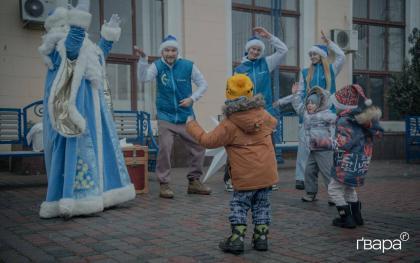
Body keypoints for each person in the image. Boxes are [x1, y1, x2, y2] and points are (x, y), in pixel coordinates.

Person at [38, 1, 135, 218]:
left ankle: (104, 193)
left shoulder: (85, 47)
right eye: (69, 24)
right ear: (61, 26)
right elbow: (73, 44)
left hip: (93, 111)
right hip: (75, 111)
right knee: (79, 151)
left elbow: (99, 55)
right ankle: (78, 198)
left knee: (101, 149)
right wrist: (81, 14)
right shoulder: (58, 46)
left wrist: (108, 35)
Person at [186, 74, 279, 254]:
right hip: (267, 173)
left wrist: (191, 125)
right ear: (251, 92)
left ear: (228, 94)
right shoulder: (264, 115)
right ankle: (261, 238)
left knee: (240, 205)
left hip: (244, 176)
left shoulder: (229, 123)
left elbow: (208, 140)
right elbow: (273, 124)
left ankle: (236, 239)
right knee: (262, 204)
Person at [134, 35, 211, 199]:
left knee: (199, 145)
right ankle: (164, 184)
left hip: (186, 117)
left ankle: (194, 181)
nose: (170, 53)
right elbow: (143, 78)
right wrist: (143, 60)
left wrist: (192, 98)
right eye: (167, 50)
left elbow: (203, 84)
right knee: (165, 147)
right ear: (162, 52)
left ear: (177, 51)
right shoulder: (157, 66)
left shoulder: (188, 66)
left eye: (173, 50)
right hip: (166, 116)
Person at [274, 31, 345, 191]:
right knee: (304, 148)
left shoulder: (332, 70)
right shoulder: (305, 72)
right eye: (310, 54)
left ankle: (332, 186)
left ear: (321, 55)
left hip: (327, 118)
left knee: (327, 152)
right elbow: (298, 93)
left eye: (314, 53)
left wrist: (330, 43)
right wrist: (281, 101)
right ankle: (301, 179)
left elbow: (342, 56)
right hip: (308, 116)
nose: (312, 56)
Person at [222, 27, 287, 191]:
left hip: (265, 112)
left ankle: (269, 179)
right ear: (247, 49)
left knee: (268, 147)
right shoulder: (239, 70)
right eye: (253, 49)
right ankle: (229, 179)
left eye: (258, 49)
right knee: (238, 144)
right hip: (245, 113)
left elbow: (283, 50)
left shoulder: (266, 63)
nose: (256, 52)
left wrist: (269, 37)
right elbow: (234, 92)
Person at [329, 84, 383, 228]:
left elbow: (344, 143)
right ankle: (357, 217)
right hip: (361, 161)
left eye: (335, 105)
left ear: (341, 105)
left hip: (347, 161)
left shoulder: (344, 120)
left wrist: (323, 142)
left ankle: (346, 219)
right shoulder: (362, 119)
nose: (334, 108)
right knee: (349, 188)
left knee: (334, 189)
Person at [291, 85, 336, 204]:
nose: (310, 105)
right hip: (312, 148)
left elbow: (335, 122)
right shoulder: (306, 114)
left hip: (324, 148)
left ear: (319, 104)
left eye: (313, 103)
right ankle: (311, 193)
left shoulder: (326, 114)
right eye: (308, 103)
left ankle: (334, 196)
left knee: (327, 173)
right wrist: (295, 95)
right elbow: (298, 107)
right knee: (309, 171)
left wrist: (334, 140)